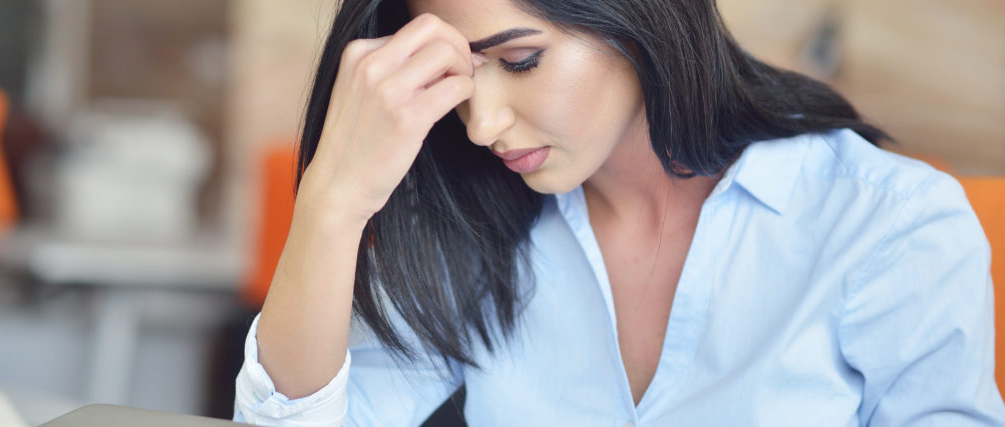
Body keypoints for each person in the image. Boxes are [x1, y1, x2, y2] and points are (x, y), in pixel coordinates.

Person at [233, 0, 1005, 425]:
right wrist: (332, 203)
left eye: (520, 61)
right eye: (460, 79)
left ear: (634, 18)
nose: (483, 123)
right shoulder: (471, 221)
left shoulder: (890, 224)